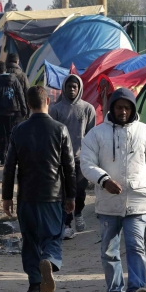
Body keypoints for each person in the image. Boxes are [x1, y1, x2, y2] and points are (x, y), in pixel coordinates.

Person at [81, 88, 146, 292]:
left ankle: (136, 291)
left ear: (133, 108)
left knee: (136, 246)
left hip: (138, 201)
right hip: (108, 203)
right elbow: (86, 162)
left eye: (127, 107)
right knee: (109, 250)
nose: (123, 111)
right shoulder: (97, 134)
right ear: (112, 108)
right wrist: (103, 180)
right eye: (119, 107)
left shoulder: (145, 132)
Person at [2, 86, 76, 292]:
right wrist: (70, 196)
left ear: (28, 105)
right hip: (52, 195)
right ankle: (50, 259)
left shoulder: (18, 130)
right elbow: (69, 167)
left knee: (30, 240)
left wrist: (7, 197)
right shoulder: (60, 129)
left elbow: (9, 166)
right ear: (48, 102)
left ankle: (34, 285)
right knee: (53, 236)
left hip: (26, 195)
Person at [49, 74, 96, 239]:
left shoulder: (88, 109)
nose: (72, 89)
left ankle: (78, 213)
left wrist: (91, 156)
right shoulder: (55, 109)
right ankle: (67, 223)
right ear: (64, 88)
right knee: (65, 191)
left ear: (79, 88)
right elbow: (52, 134)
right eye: (69, 86)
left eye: (74, 87)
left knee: (80, 190)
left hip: (81, 157)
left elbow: (91, 134)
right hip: (61, 159)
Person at [0, 60, 28, 165]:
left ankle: (3, 157)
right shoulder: (14, 79)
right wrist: (24, 110)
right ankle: (14, 158)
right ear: (5, 69)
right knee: (12, 135)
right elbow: (20, 94)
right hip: (14, 112)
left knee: (2, 137)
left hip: (0, 113)